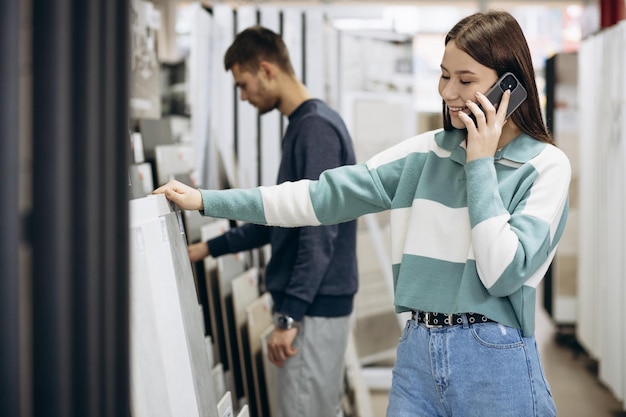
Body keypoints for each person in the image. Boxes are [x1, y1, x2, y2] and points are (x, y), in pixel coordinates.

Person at [156, 10, 570, 417]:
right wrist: (208, 200)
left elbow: (502, 271)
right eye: (444, 75)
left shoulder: (546, 167)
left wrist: (480, 163)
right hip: (417, 355)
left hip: (494, 360)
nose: (447, 92)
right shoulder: (424, 154)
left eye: (465, 80)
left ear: (510, 85)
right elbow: (319, 198)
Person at [186, 26, 358, 417]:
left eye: (243, 85)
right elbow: (280, 217)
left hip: (312, 309)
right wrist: (210, 248)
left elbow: (319, 230)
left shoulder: (314, 129)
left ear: (266, 70)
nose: (244, 96)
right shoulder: (306, 125)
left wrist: (290, 315)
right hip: (314, 306)